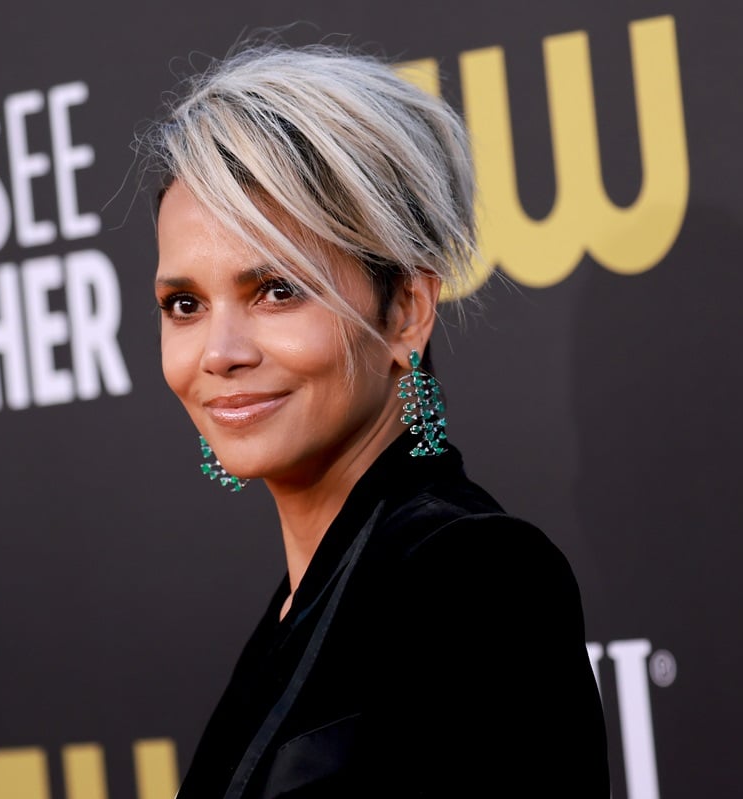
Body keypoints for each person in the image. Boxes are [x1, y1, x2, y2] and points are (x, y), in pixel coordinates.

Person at [144, 38, 609, 799]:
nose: (219, 352)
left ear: (406, 312)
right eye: (185, 304)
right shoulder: (301, 603)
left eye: (276, 290)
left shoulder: (475, 581)